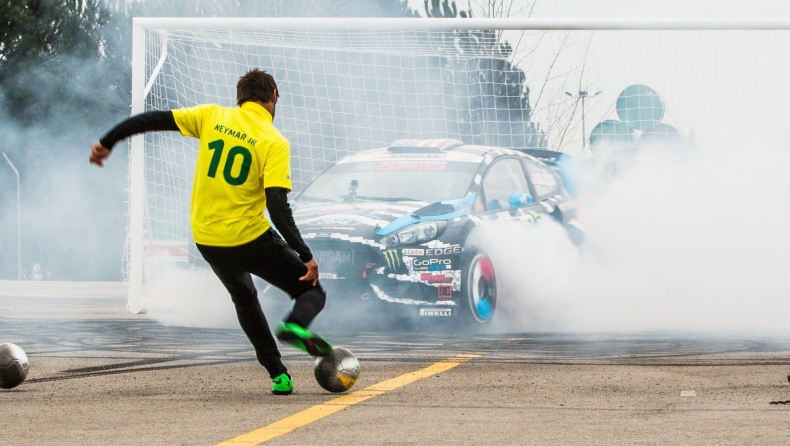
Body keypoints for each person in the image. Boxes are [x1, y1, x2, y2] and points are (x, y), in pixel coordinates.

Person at [89, 69, 333, 395]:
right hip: (250, 238)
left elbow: (150, 120)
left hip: (207, 240)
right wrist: (306, 256)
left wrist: (107, 141)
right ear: (274, 94)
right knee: (311, 292)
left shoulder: (211, 116)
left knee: (245, 300)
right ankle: (294, 326)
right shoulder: (275, 141)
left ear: (240, 96)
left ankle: (278, 375)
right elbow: (277, 207)